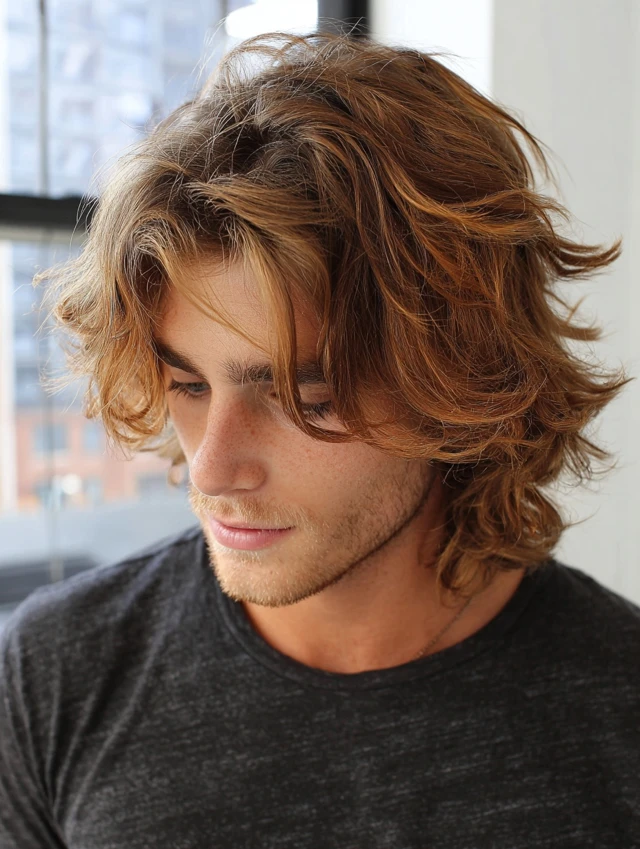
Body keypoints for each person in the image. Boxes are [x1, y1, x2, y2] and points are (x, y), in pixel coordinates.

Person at [1, 31, 638, 849]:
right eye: (189, 385)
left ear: (464, 386)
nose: (211, 467)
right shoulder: (61, 670)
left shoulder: (619, 710)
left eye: (306, 398)